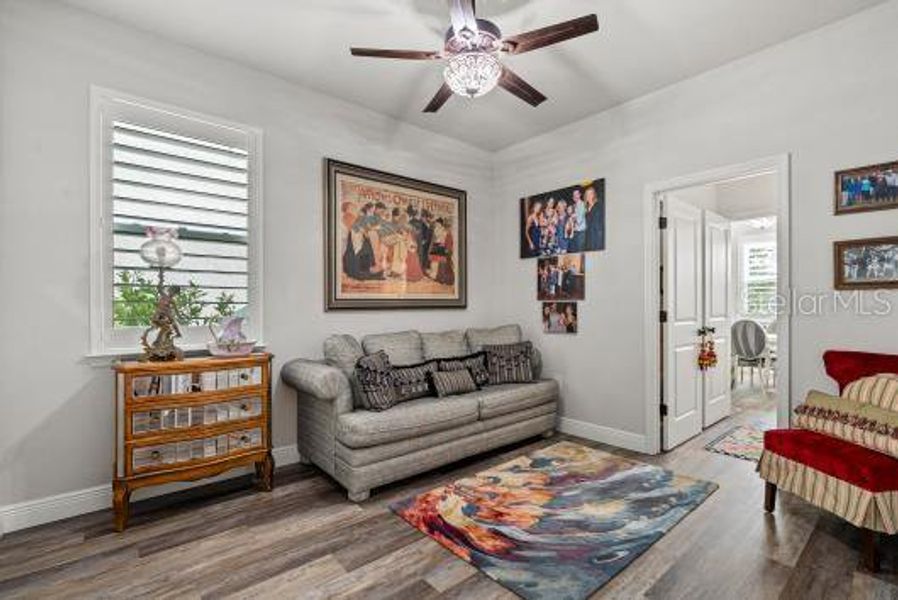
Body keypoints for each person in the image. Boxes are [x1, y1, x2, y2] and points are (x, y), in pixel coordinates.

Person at [584, 185, 605, 251]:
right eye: (587, 194)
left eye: (590, 194)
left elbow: (600, 224)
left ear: (594, 195)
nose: (588, 196)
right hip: (588, 238)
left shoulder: (599, 205)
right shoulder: (586, 209)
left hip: (597, 238)